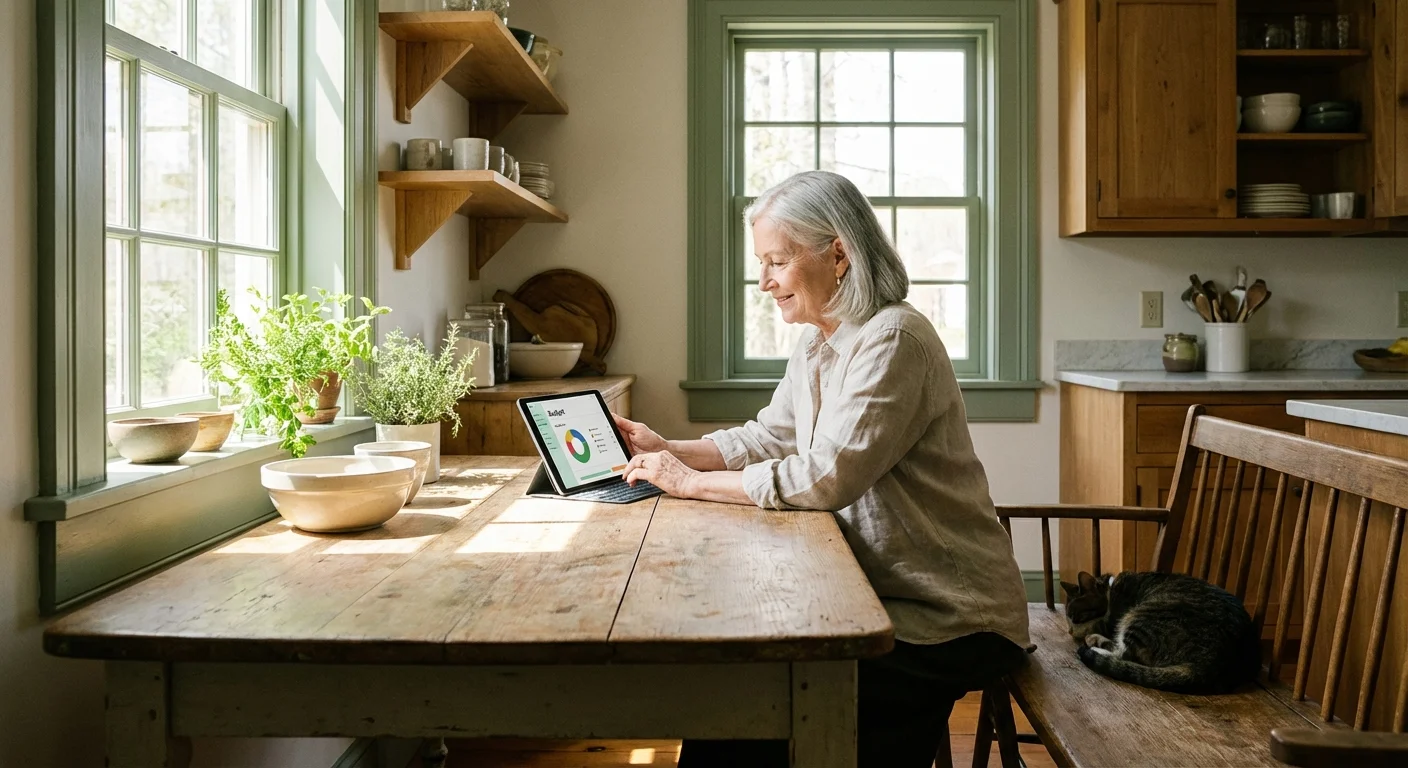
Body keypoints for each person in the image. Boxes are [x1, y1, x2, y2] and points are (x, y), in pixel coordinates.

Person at [616, 170, 1031, 768]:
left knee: (750, 710)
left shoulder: (893, 339)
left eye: (777, 262)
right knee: (733, 704)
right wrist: (672, 449)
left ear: (838, 254)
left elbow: (825, 476)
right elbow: (769, 436)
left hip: (945, 618)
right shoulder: (817, 341)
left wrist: (690, 484)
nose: (764, 282)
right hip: (870, 594)